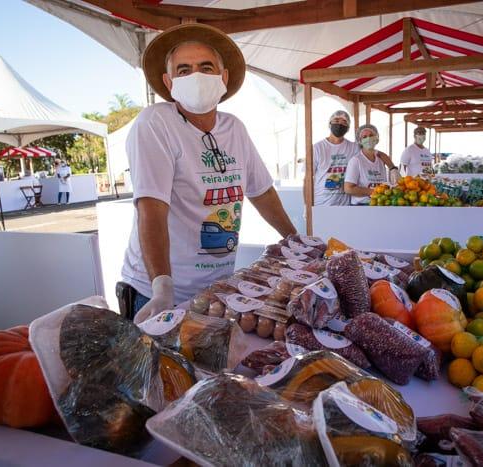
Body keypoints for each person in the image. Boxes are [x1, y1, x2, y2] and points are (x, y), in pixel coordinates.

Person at [121, 23, 296, 323]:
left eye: (206, 67)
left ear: (223, 77)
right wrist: (162, 286)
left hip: (216, 291)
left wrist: (295, 240)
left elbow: (261, 191)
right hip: (157, 291)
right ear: (169, 81)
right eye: (184, 70)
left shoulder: (234, 128)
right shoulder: (155, 123)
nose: (196, 76)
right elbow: (151, 208)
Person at [312, 110, 359, 205]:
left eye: (344, 121)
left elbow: (372, 153)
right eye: (336, 120)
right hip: (321, 204)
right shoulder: (317, 148)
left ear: (348, 128)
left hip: (345, 205)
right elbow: (307, 179)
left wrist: (391, 167)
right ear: (330, 124)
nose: (340, 124)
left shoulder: (354, 148)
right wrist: (307, 205)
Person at [344, 124, 398, 205]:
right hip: (361, 206)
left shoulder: (381, 159)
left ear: (376, 138)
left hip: (380, 203)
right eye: (364, 137)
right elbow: (348, 189)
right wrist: (376, 192)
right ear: (360, 141)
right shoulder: (356, 161)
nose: (368, 138)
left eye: (371, 135)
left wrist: (393, 169)